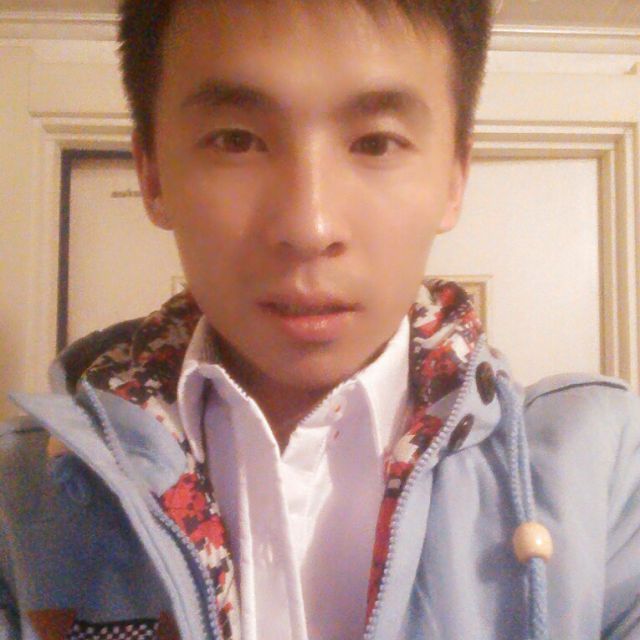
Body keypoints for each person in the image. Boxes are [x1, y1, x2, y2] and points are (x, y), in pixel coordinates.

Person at [1, 0, 639, 638]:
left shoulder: (607, 478)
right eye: (236, 140)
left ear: (454, 176)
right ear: (152, 174)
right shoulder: (17, 506)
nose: (310, 227)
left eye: (376, 142)